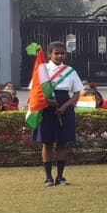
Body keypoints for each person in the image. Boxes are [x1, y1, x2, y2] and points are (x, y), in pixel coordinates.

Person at [29, 41, 84, 187]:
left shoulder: (70, 71)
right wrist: (48, 101)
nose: (60, 56)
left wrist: (65, 106)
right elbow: (35, 91)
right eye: (56, 53)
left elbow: (77, 92)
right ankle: (48, 177)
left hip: (65, 106)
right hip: (46, 107)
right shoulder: (42, 69)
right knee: (47, 142)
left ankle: (60, 177)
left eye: (62, 53)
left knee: (62, 142)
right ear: (49, 54)